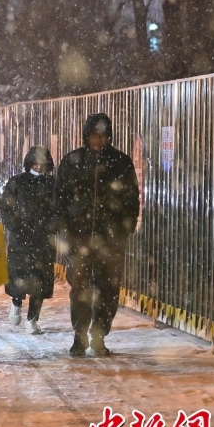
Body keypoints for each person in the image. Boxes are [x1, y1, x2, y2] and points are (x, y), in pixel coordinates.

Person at [54, 113, 139, 358]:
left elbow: (131, 199)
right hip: (78, 238)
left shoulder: (120, 162)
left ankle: (99, 335)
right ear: (86, 136)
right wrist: (64, 228)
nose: (98, 140)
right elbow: (60, 197)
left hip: (111, 240)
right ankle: (79, 336)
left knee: (108, 289)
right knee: (79, 288)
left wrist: (124, 229)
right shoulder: (72, 161)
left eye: (103, 136)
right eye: (94, 135)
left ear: (109, 137)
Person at [0, 146, 57, 335]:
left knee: (39, 282)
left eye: (42, 163)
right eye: (35, 163)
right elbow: (6, 207)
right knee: (18, 276)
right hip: (20, 240)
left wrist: (51, 227)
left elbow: (59, 209)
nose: (39, 166)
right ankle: (16, 303)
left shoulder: (52, 184)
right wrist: (16, 227)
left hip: (43, 240)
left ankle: (32, 319)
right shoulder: (17, 182)